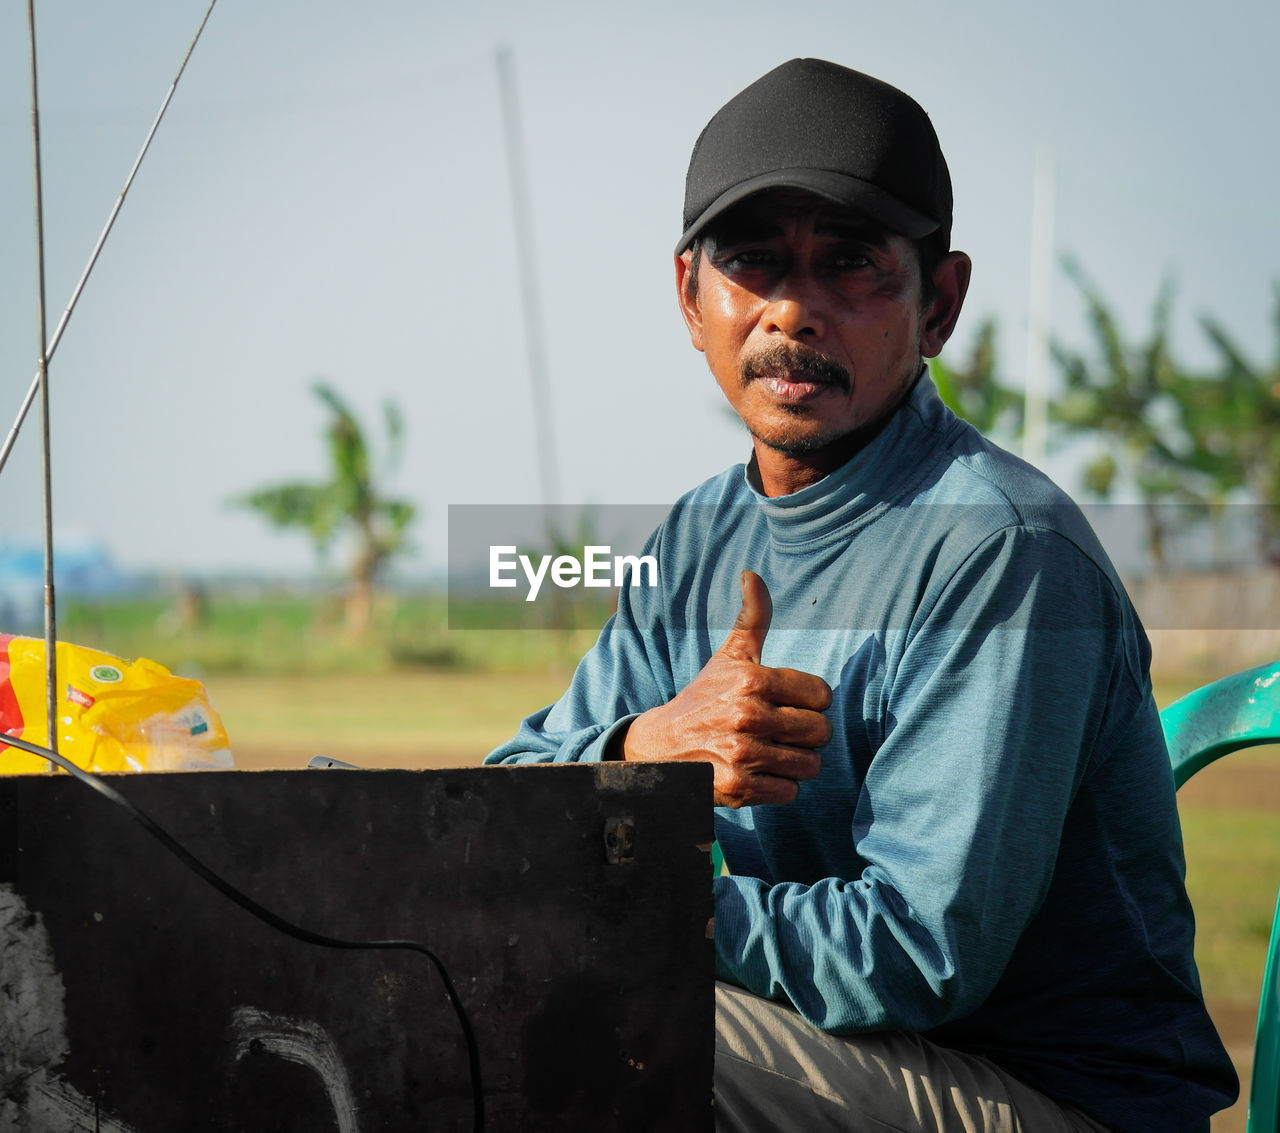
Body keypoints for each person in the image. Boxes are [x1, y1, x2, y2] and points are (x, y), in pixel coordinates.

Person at [485, 58, 1237, 1132]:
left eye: (849, 267)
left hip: (1047, 1096)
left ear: (937, 304)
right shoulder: (698, 531)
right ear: (688, 295)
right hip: (834, 1055)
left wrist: (624, 886)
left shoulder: (998, 552)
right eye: (752, 262)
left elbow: (916, 954)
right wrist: (644, 749)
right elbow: (510, 789)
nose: (792, 310)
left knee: (603, 1013)